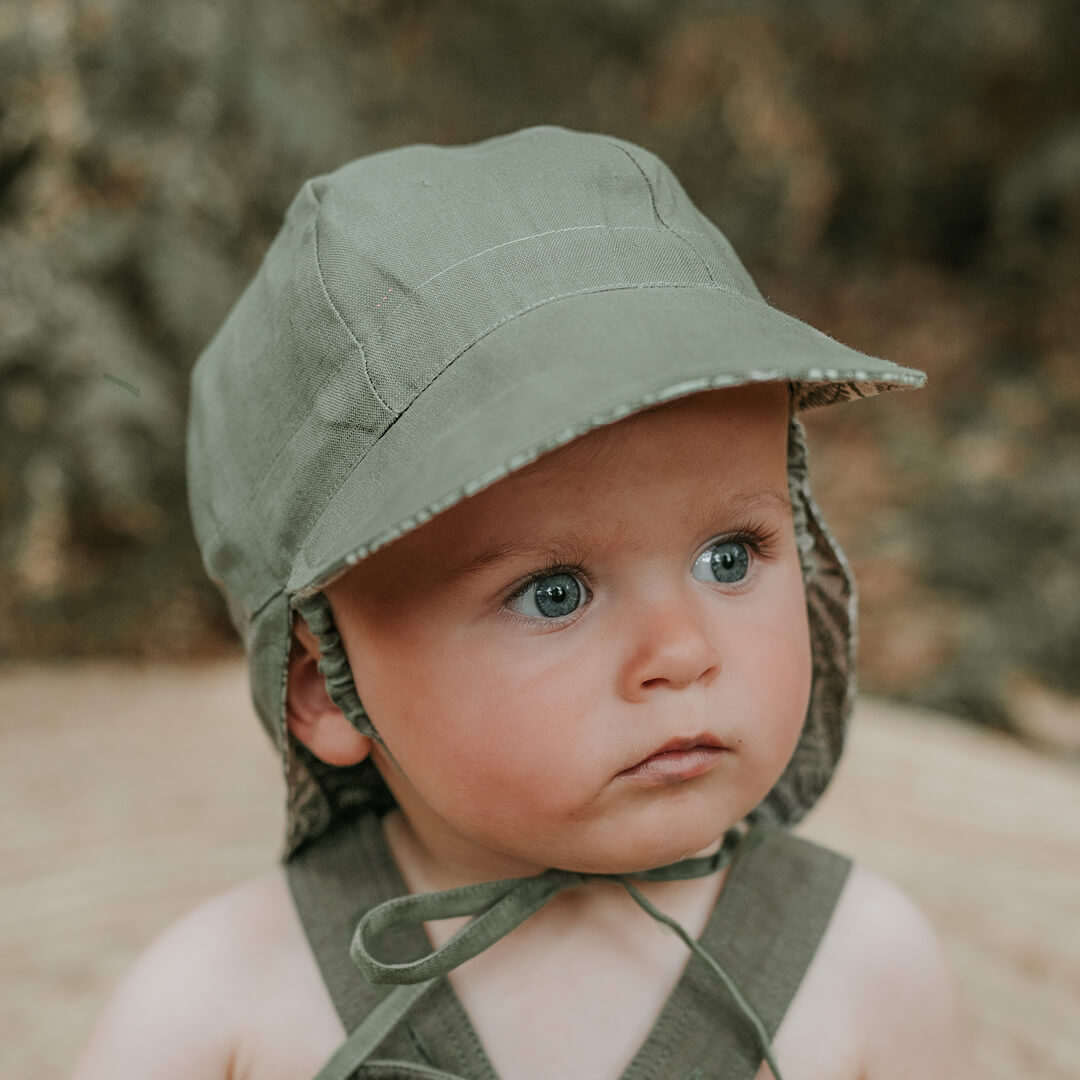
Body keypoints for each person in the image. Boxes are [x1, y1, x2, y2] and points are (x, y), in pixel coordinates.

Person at [71, 125, 978, 1079]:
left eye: (729, 555)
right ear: (324, 686)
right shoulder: (227, 1003)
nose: (681, 649)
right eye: (554, 594)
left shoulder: (861, 967)